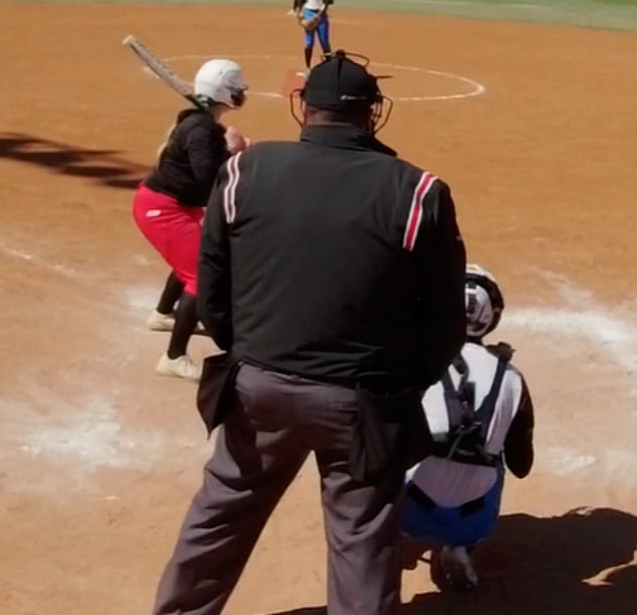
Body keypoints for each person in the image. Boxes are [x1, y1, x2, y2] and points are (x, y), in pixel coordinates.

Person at [151, 51, 467, 615]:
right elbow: (445, 321)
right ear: (373, 112)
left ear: (303, 106)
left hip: (258, 386)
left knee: (220, 514)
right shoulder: (418, 192)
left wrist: (250, 353)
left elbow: (213, 292)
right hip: (362, 399)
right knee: (362, 538)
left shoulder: (244, 171)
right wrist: (397, 386)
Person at [400, 265, 535, 594]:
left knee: (390, 438)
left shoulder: (413, 360)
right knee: (492, 457)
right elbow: (522, 465)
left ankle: (386, 539)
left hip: (407, 509)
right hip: (472, 519)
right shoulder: (513, 378)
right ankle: (461, 546)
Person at [133, 59, 250, 381]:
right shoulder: (200, 129)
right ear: (226, 92)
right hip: (163, 210)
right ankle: (173, 357)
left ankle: (162, 315)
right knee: (203, 274)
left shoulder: (203, 125)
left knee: (195, 256)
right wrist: (233, 153)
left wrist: (231, 149)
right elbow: (207, 179)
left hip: (175, 205)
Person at [299, 0, 337, 68]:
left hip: (321, 16)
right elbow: (302, 1)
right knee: (309, 42)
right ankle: (308, 67)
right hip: (309, 13)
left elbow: (325, 6)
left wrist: (316, 18)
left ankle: (329, 66)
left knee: (324, 42)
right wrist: (301, 15)